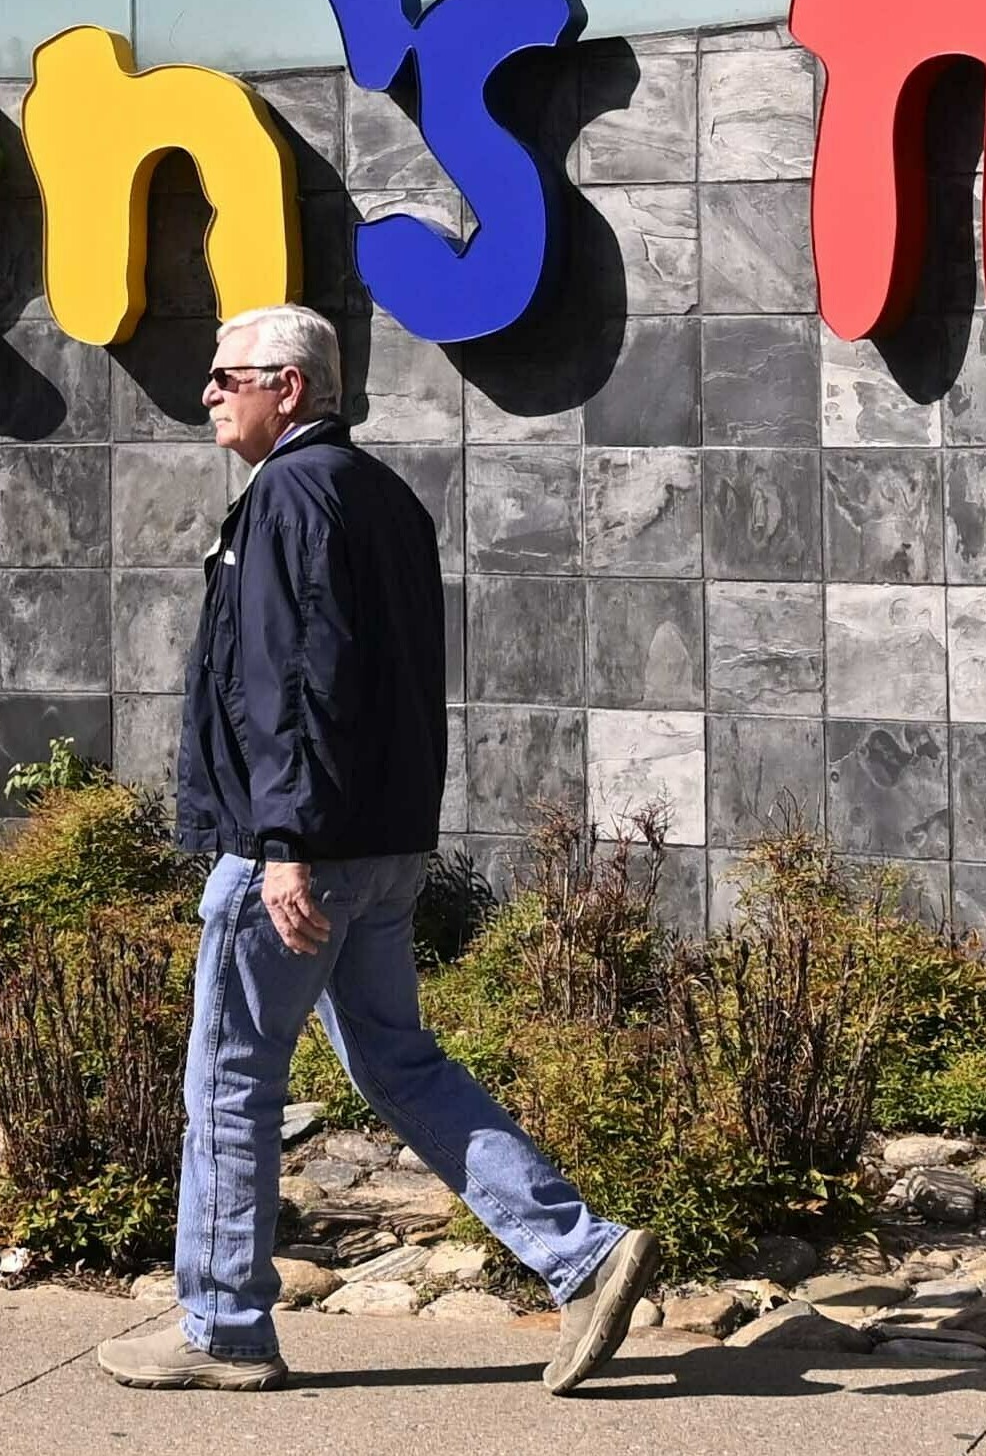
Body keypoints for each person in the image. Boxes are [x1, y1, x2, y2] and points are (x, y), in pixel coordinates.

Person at [118, 302, 654, 1397]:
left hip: (302, 851)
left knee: (229, 1079)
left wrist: (282, 843)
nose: (207, 393)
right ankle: (583, 1253)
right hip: (383, 845)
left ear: (293, 388)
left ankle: (221, 1325)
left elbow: (290, 684)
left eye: (230, 377)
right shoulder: (382, 498)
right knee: (397, 1060)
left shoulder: (290, 498)